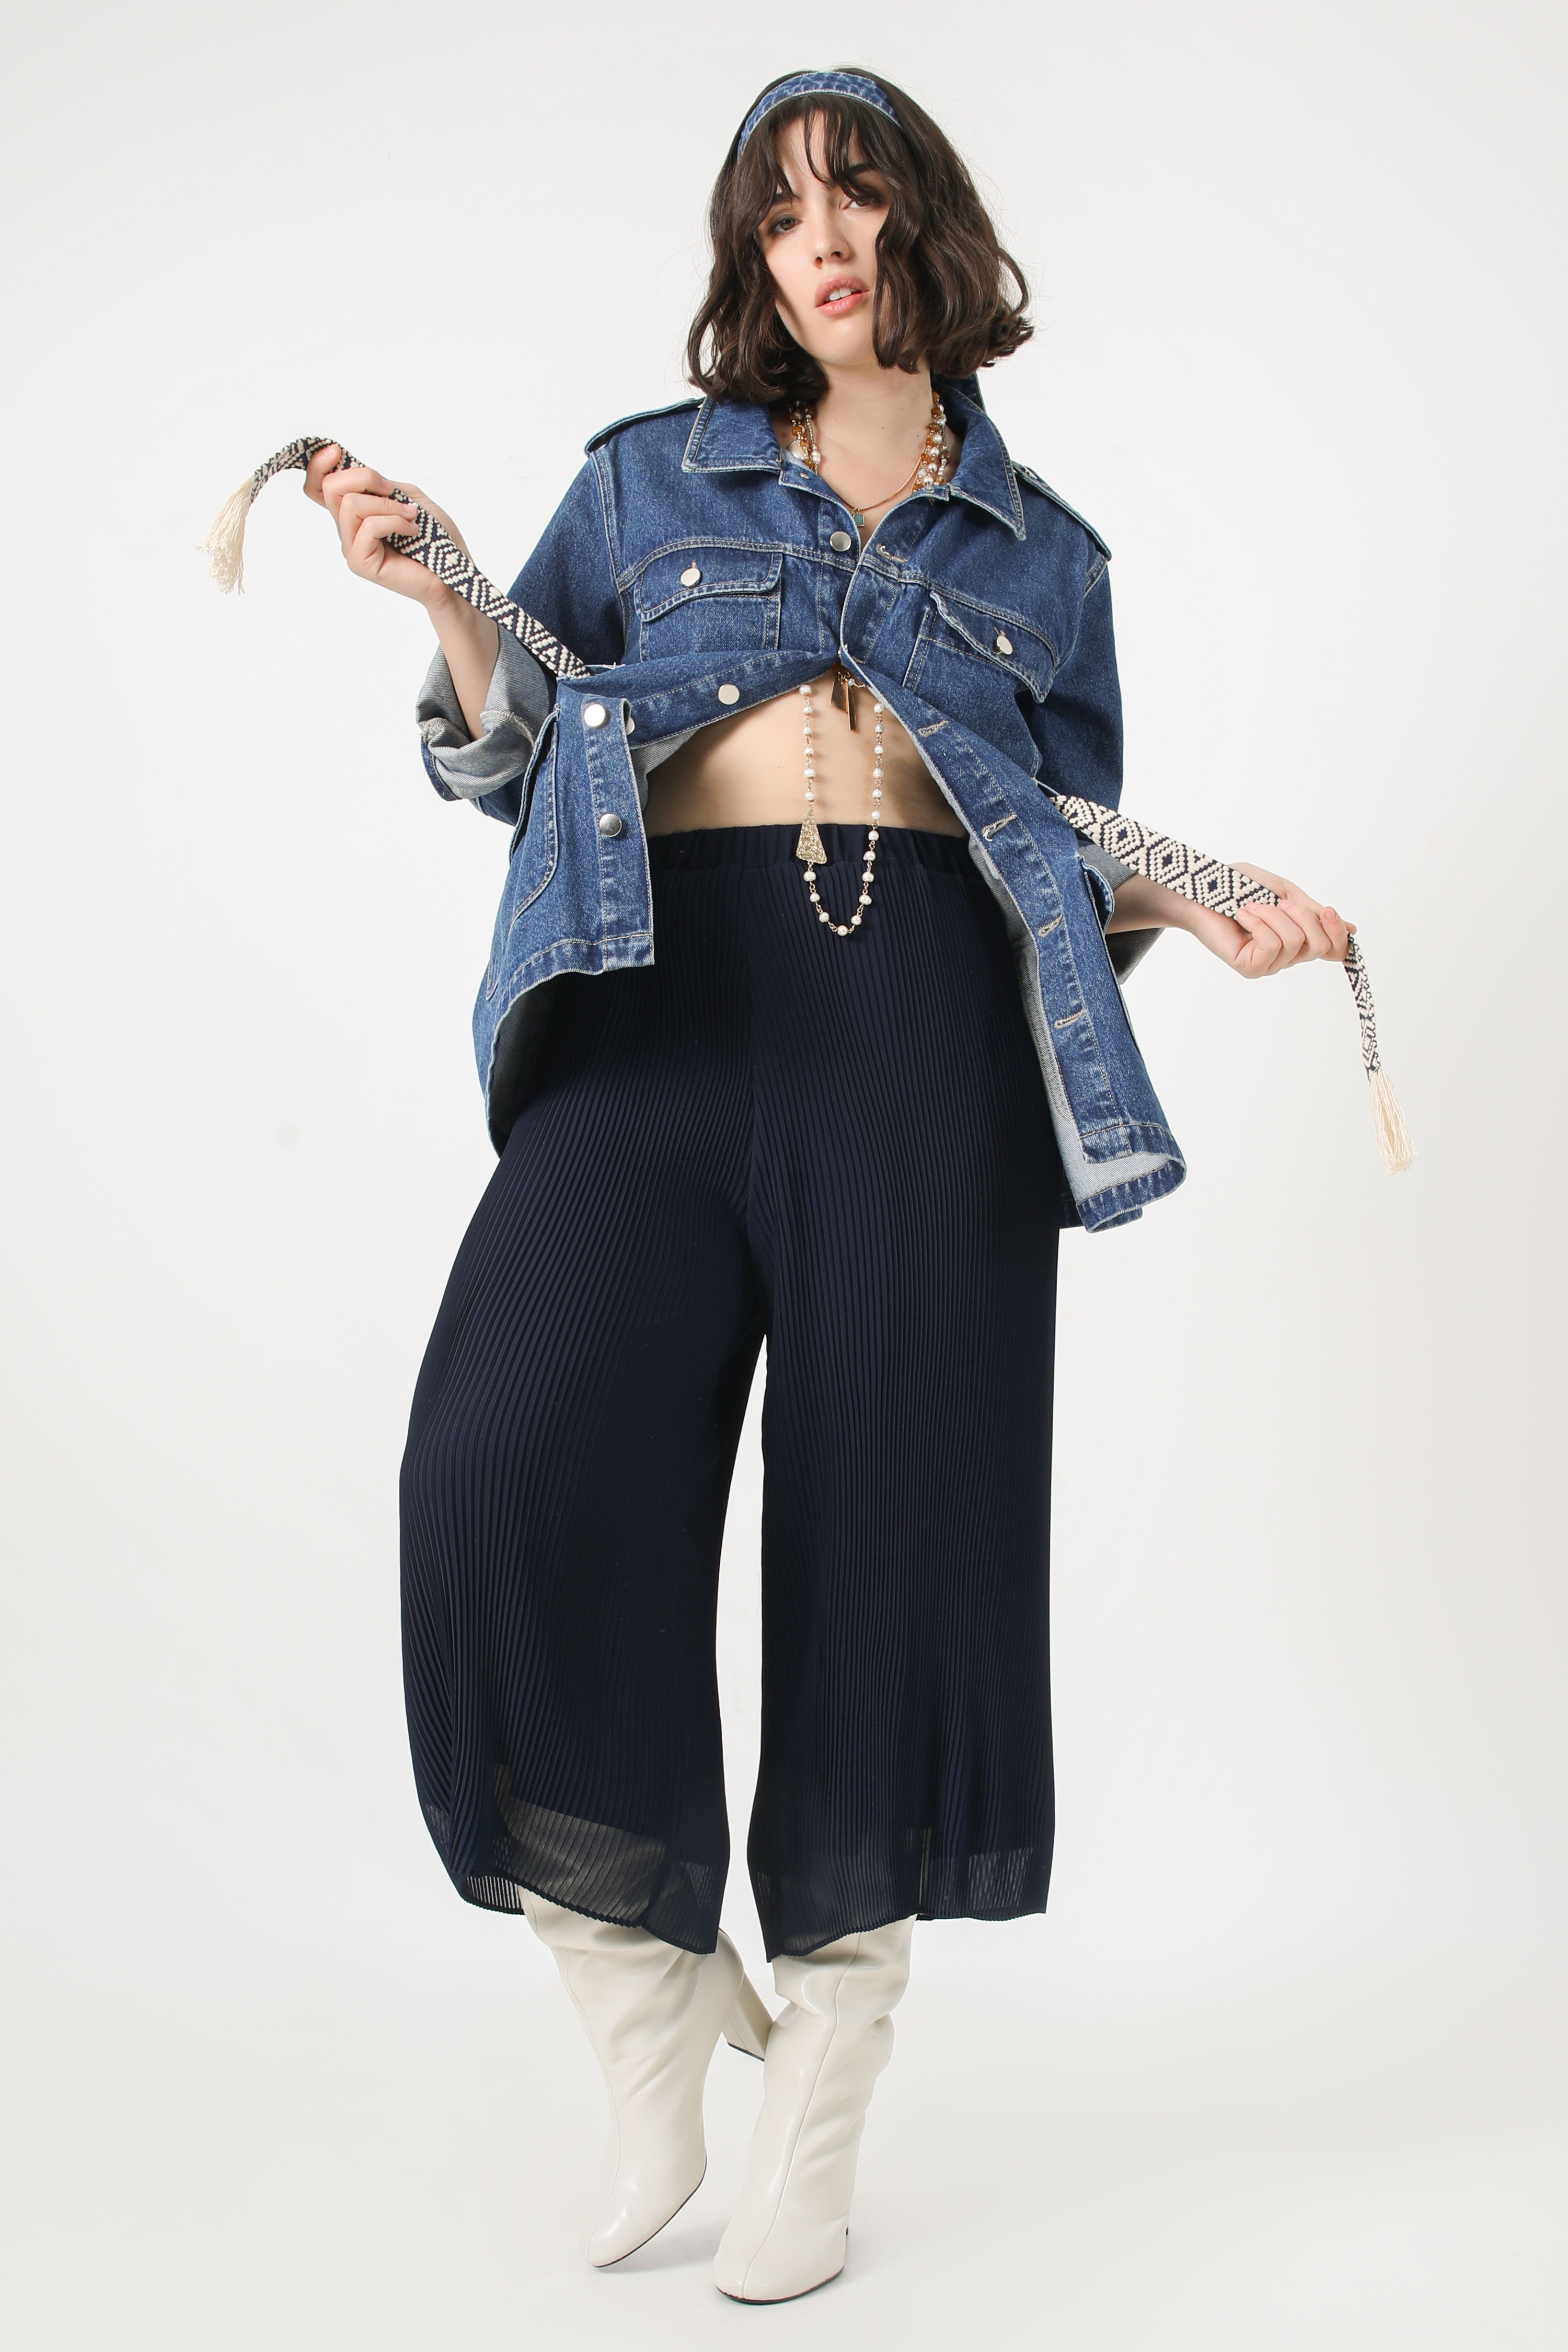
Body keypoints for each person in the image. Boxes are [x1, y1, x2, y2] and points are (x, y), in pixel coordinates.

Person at [303, 67, 1354, 2304]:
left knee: (889, 1554)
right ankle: (652, 2007)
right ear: (753, 263)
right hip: (659, 1017)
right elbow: (517, 743)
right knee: (493, 1463)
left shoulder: (1048, 558)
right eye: (782, 214)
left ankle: (829, 2086)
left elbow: (1060, 853)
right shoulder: (642, 479)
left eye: (856, 197)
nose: (824, 241)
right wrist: (441, 597)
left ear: (922, 227)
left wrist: (1210, 910)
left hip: (922, 1049)